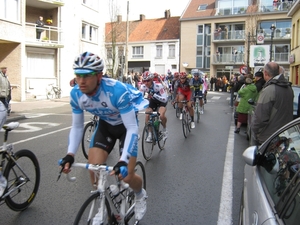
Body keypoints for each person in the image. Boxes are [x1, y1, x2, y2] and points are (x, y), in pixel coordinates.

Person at [59, 52, 148, 221]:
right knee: (94, 168)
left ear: (99, 76)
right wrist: (70, 154)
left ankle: (139, 194)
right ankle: (102, 204)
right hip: (106, 126)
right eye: (78, 75)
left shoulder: (116, 91)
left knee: (127, 175)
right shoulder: (76, 95)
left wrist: (123, 159)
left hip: (125, 128)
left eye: (87, 76)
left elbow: (131, 127)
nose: (81, 81)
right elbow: (77, 126)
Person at [251, 62, 293, 145]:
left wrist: (255, 133)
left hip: (268, 138)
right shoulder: (288, 88)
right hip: (284, 134)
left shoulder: (269, 90)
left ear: (265, 73)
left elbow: (260, 118)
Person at [139, 71, 168, 142]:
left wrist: (155, 95)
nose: (146, 83)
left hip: (161, 101)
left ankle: (164, 130)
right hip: (153, 101)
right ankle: (149, 133)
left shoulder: (158, 86)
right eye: (144, 81)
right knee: (147, 114)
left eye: (148, 81)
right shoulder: (143, 87)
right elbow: (139, 98)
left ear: (152, 80)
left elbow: (164, 99)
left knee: (161, 116)